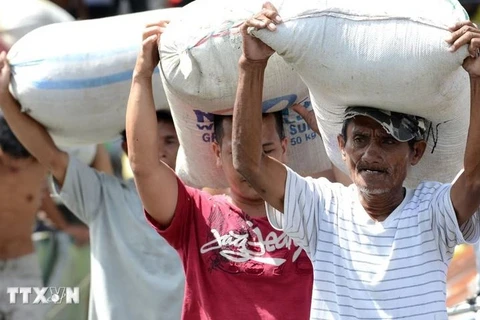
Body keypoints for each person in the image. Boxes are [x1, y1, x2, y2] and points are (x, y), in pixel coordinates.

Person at [231, 3, 480, 319]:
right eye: (359, 139)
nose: (371, 153)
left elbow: (475, 179)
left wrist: (477, 79)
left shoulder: (432, 211)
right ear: (341, 147)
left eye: (389, 141)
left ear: (415, 152)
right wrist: (251, 64)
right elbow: (248, 163)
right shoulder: (321, 207)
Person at [126, 21, 313, 320]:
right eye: (237, 152)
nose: (252, 166)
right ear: (215, 153)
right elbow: (143, 166)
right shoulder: (194, 214)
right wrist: (142, 74)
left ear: (285, 147)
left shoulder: (314, 209)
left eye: (265, 151)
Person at [0, 51, 184, 320]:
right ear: (126, 149)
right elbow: (51, 156)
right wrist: (5, 97)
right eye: (147, 142)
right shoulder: (105, 197)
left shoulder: (201, 203)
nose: (159, 153)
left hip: (23, 269)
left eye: (169, 142)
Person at [0, 115, 85, 320]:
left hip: (22, 264)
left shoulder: (39, 164)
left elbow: (42, 195)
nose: (16, 168)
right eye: (10, 161)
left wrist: (63, 227)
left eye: (22, 161)